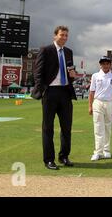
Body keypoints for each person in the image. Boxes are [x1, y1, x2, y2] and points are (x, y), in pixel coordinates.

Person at [32, 25, 77, 170]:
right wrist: (42, 90)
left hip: (65, 92)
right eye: (61, 35)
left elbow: (70, 70)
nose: (64, 37)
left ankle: (64, 156)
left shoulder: (69, 52)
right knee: (48, 128)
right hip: (50, 92)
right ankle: (49, 160)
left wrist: (73, 76)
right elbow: (38, 72)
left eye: (66, 35)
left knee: (66, 127)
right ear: (55, 36)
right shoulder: (46, 50)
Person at [88, 56, 112, 161]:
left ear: (110, 65)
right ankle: (98, 152)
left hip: (109, 103)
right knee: (98, 127)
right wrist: (90, 106)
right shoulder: (95, 76)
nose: (105, 65)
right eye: (103, 64)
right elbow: (91, 92)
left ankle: (106, 150)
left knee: (107, 127)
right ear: (100, 65)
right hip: (98, 102)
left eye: (107, 63)